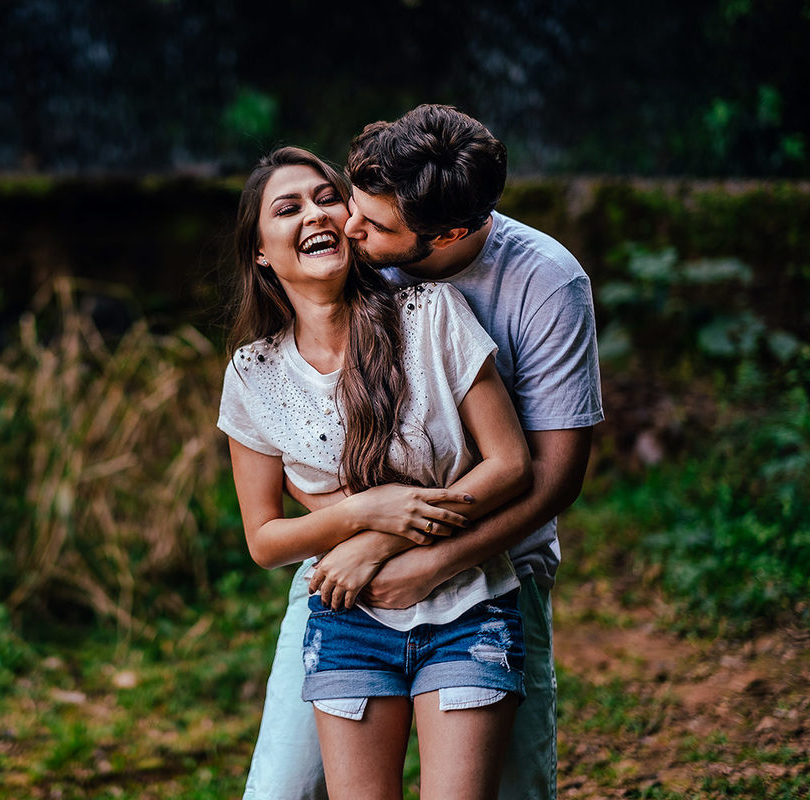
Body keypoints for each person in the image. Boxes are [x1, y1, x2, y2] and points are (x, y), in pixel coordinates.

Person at [242, 105, 604, 800]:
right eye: (351, 204)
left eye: (372, 226)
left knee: (513, 787)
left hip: (495, 561)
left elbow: (553, 478)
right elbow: (296, 424)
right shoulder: (355, 252)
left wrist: (426, 560)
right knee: (281, 788)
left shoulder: (547, 286)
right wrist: (370, 533)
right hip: (351, 560)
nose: (347, 227)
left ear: (450, 234)